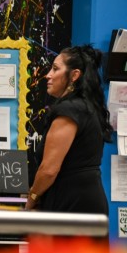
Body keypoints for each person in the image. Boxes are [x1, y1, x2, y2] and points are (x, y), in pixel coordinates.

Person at [25, 45, 112, 214]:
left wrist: (31, 200)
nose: (48, 75)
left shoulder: (70, 110)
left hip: (72, 203)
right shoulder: (87, 107)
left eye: (55, 69)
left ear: (74, 75)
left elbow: (49, 169)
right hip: (86, 200)